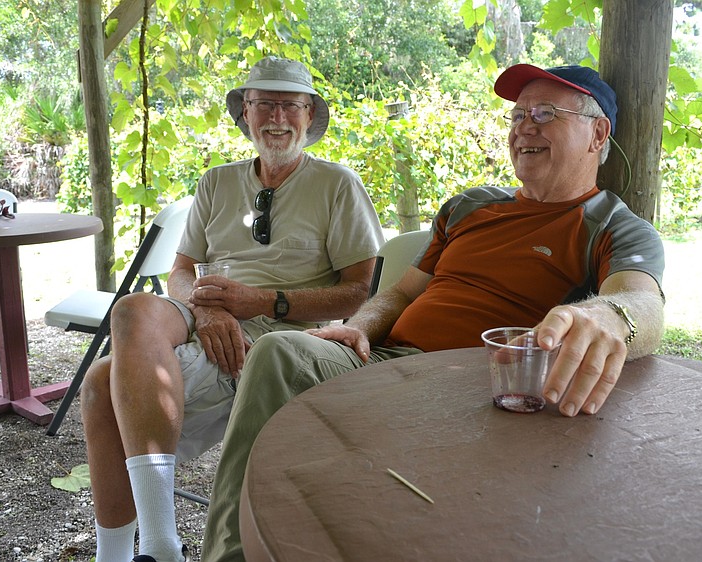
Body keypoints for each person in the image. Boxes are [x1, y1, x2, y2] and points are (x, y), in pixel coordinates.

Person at [199, 63, 666, 561]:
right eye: (517, 115)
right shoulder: (469, 206)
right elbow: (399, 295)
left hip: (472, 388)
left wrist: (607, 318)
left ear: (597, 133)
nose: (524, 127)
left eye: (545, 113)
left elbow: (642, 302)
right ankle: (230, 553)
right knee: (279, 351)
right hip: (382, 364)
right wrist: (357, 329)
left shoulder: (612, 225)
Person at [80, 56, 384, 562]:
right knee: (133, 308)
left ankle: (144, 549)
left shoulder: (337, 185)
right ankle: (157, 547)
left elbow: (358, 291)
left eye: (290, 105)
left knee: (97, 385)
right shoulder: (216, 182)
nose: (277, 118)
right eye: (264, 103)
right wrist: (203, 311)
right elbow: (182, 270)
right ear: (246, 112)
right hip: (209, 319)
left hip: (277, 336)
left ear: (310, 116)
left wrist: (260, 301)